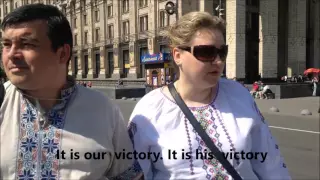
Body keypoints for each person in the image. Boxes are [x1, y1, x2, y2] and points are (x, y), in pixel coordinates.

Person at [128, 12, 291, 179]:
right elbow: (136, 173)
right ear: (177, 55)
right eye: (206, 52)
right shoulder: (150, 109)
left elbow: (270, 163)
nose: (218, 61)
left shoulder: (238, 94)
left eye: (222, 52)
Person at [0, 4, 142, 180]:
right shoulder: (2, 103)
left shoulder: (103, 109)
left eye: (27, 44)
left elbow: (128, 175)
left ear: (62, 54)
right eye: (6, 44)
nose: (12, 54)